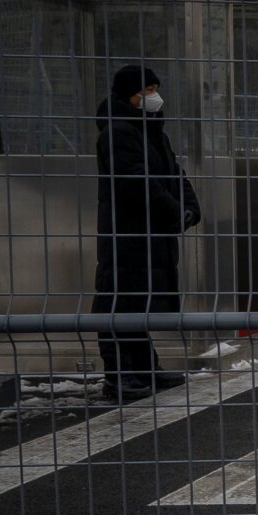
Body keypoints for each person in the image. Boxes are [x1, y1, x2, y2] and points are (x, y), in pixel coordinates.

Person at [93, 64, 200, 403]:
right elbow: (136, 182)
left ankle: (144, 368)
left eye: (155, 88)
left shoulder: (152, 132)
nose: (154, 96)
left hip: (152, 235)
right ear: (130, 94)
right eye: (146, 90)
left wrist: (190, 207)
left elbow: (174, 173)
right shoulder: (118, 132)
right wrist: (173, 210)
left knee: (139, 302)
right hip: (128, 234)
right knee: (119, 301)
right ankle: (119, 376)